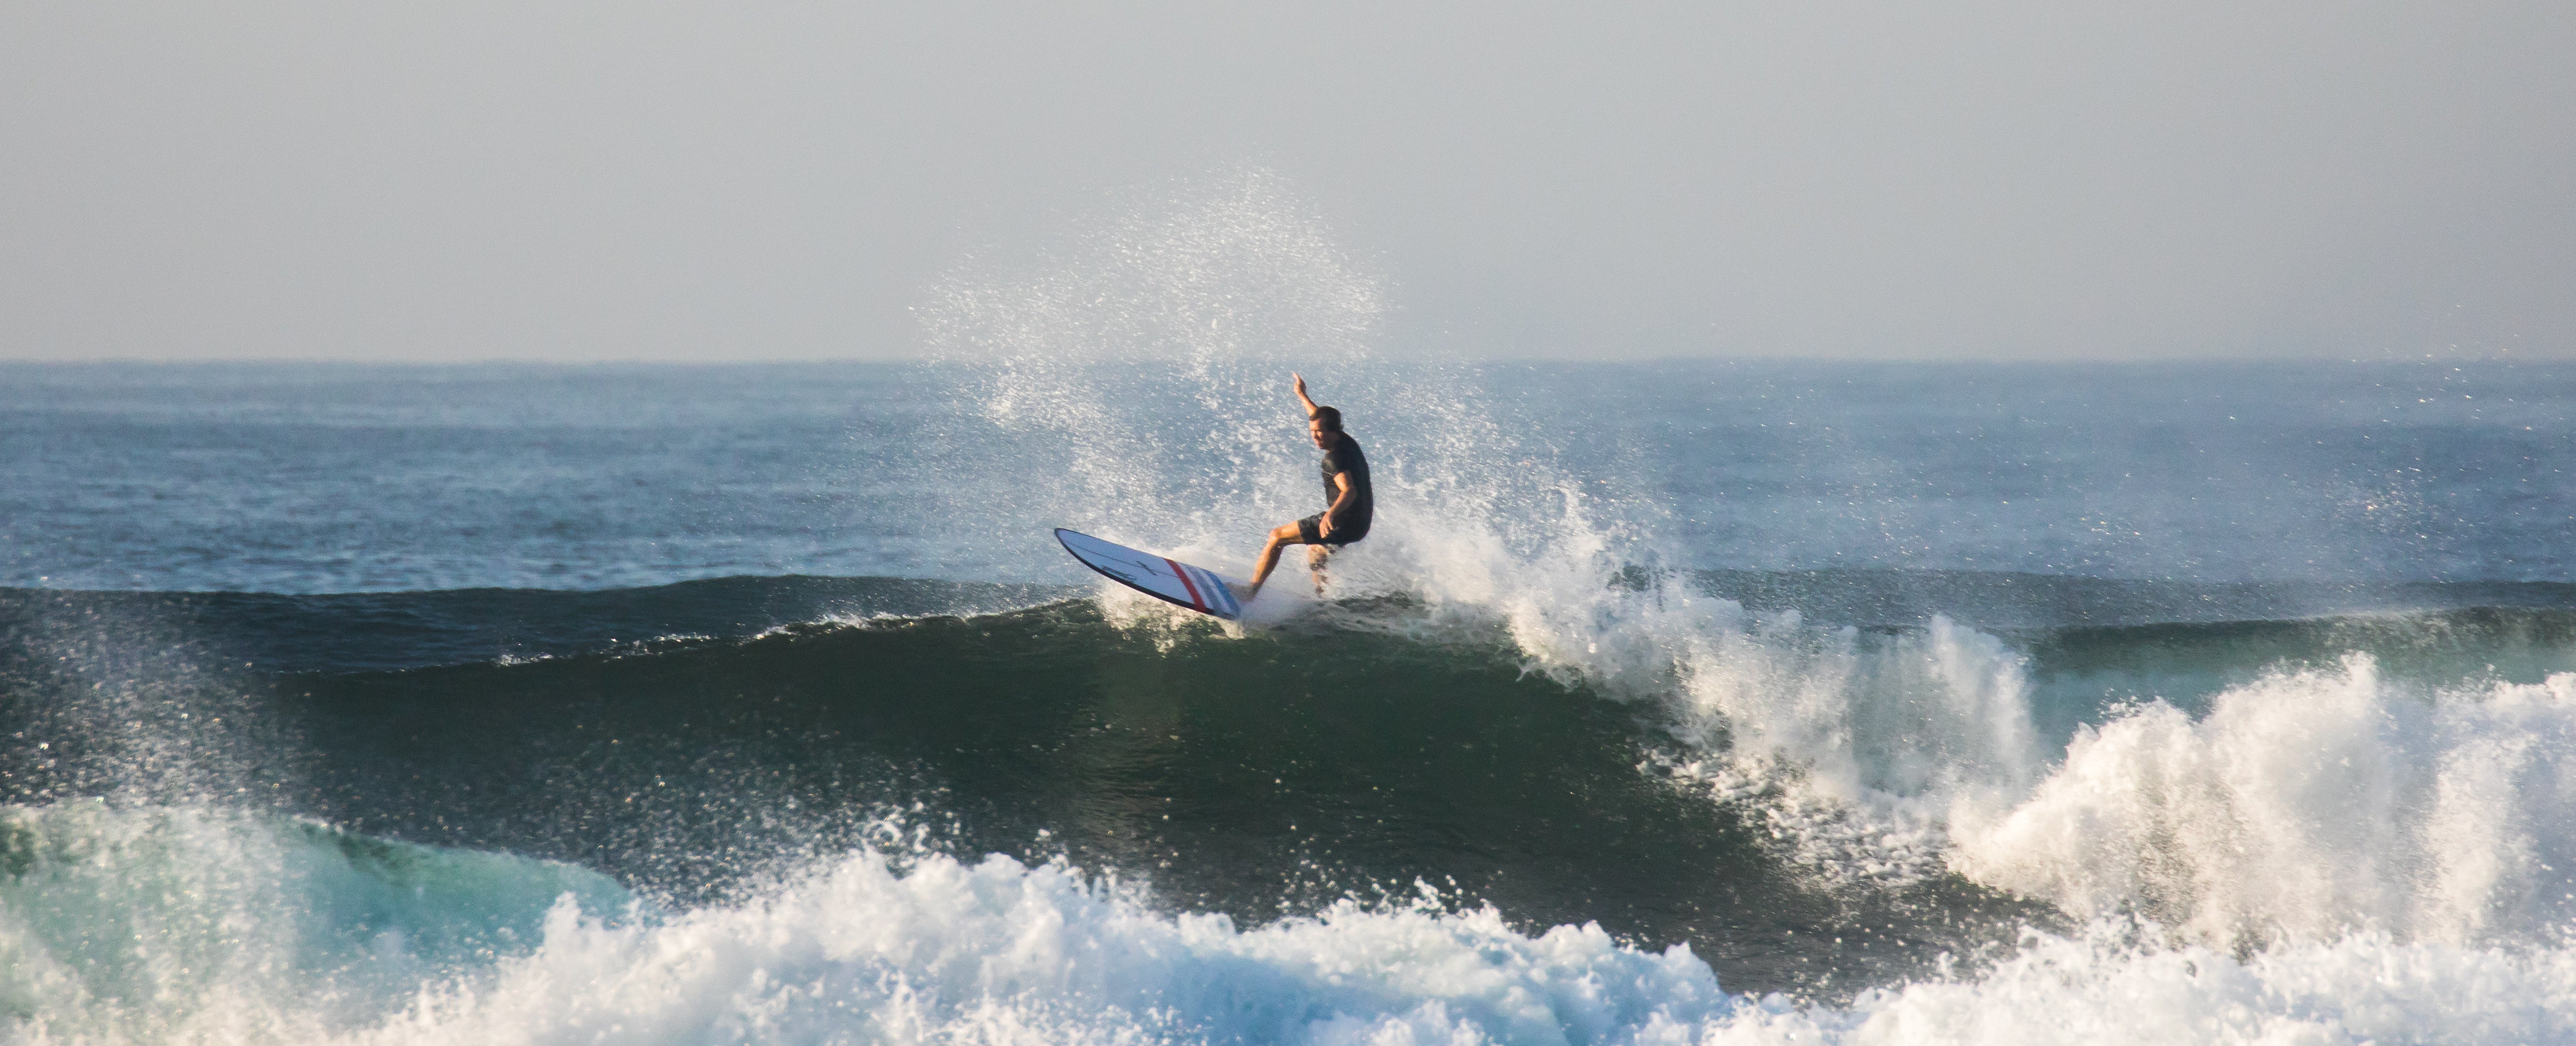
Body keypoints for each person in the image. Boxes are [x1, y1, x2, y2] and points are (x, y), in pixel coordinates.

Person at [1241, 373, 1372, 600]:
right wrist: (1302, 395)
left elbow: (1350, 491)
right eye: (1312, 432)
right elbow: (1317, 416)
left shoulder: (1334, 459)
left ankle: (1250, 593)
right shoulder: (1345, 440)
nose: (1315, 438)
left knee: (1277, 537)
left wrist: (1330, 515)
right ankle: (1320, 598)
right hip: (1360, 524)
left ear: (1333, 431)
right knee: (1316, 552)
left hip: (1342, 522)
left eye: (1320, 433)